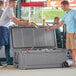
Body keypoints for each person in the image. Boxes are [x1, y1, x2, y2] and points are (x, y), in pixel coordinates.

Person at [0, 0, 34, 66]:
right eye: (15, 2)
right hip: (2, 28)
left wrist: (24, 21)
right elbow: (16, 22)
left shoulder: (10, 9)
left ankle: (9, 61)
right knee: (0, 46)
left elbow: (15, 19)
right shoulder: (8, 9)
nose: (16, 3)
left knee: (8, 46)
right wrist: (27, 24)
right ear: (11, 2)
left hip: (6, 28)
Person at [46, 1, 76, 66]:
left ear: (66, 5)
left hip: (74, 33)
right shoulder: (65, 15)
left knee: (74, 48)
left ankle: (74, 62)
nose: (61, 8)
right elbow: (59, 25)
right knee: (70, 49)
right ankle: (74, 62)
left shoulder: (74, 12)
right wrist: (50, 28)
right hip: (68, 33)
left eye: (62, 6)